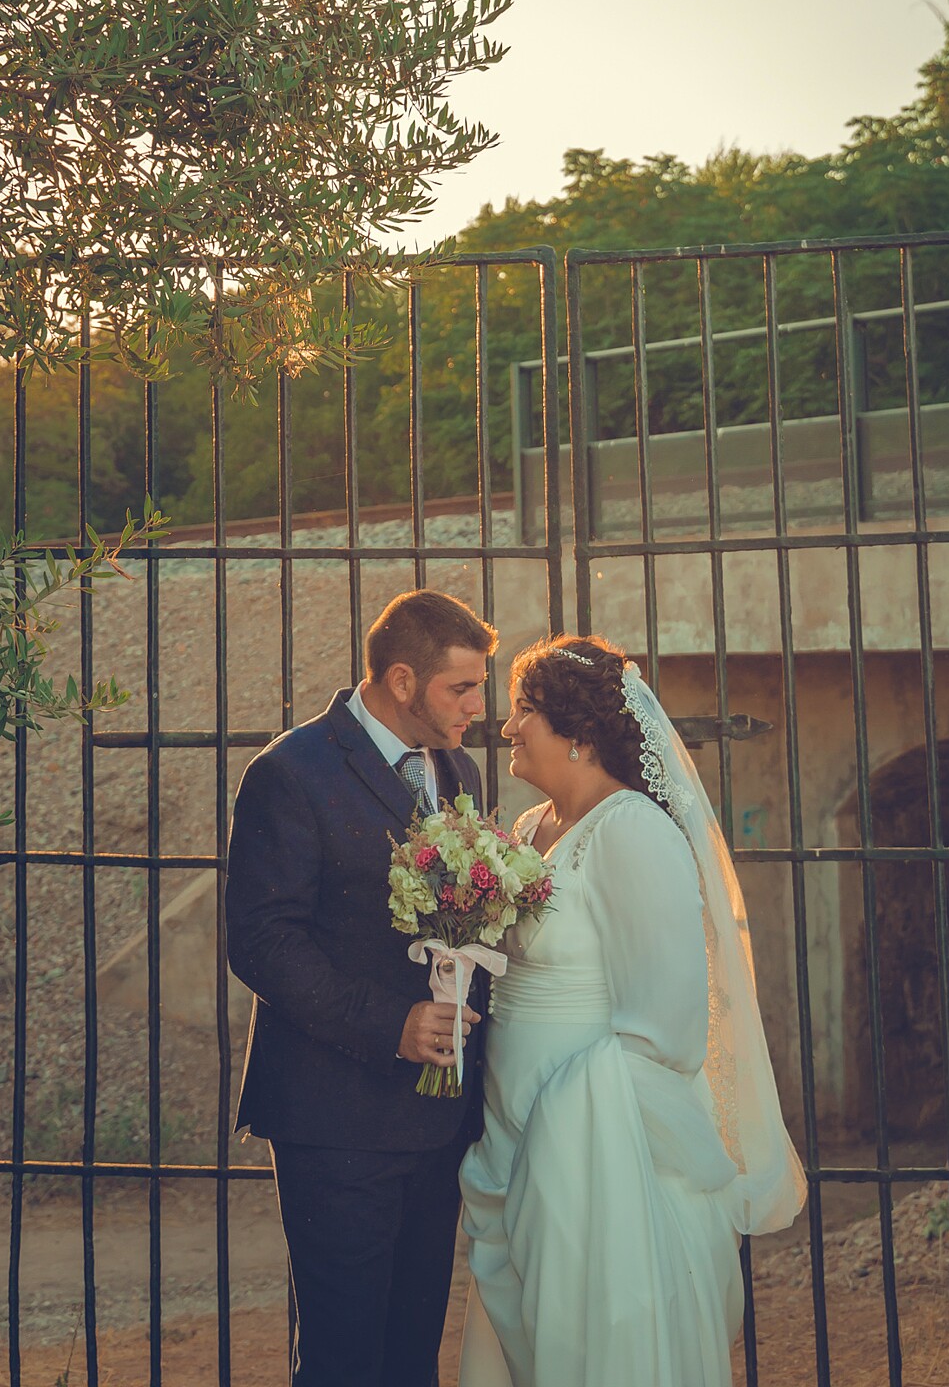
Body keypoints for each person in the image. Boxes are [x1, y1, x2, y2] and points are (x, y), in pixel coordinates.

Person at [458, 634, 807, 1387]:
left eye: (524, 711)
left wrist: (567, 1123)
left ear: (580, 735)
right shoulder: (528, 830)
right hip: (508, 1119)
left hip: (593, 1145)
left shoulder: (633, 832)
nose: (507, 726)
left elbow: (667, 1027)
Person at [225, 589, 498, 1387]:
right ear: (403, 680)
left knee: (412, 1354)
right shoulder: (290, 771)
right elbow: (262, 941)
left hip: (436, 1118)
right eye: (461, 688)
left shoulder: (459, 768)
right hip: (334, 1117)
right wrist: (391, 1025)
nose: (476, 708)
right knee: (343, 1360)